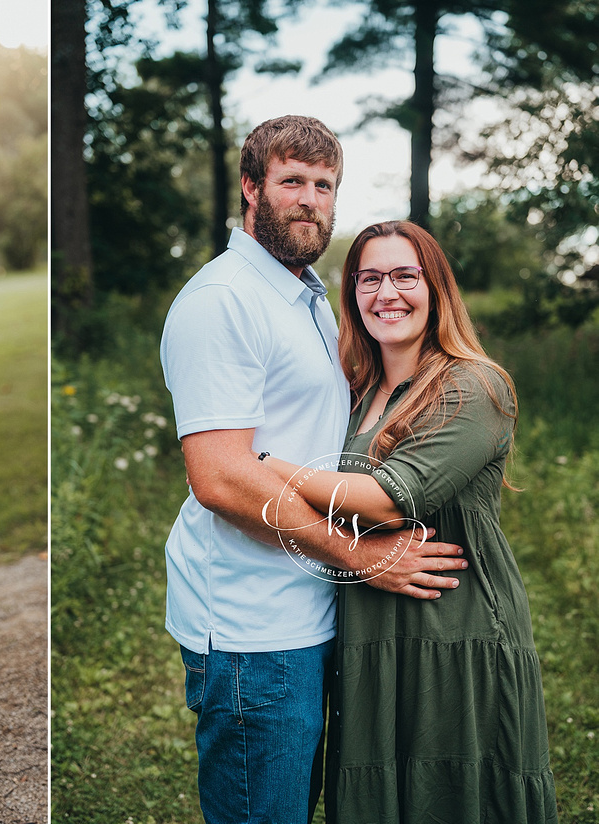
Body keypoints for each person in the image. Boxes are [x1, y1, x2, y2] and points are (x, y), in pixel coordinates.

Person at [159, 115, 469, 824]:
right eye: (291, 180)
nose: (309, 199)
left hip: (306, 610)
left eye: (324, 185)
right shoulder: (222, 302)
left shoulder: (302, 296)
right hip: (253, 628)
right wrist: (364, 558)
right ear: (250, 188)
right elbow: (220, 478)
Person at [259, 220, 558, 823]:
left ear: (436, 289)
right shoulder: (353, 390)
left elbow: (391, 498)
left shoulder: (474, 386)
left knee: (452, 795)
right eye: (369, 279)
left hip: (455, 626)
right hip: (369, 627)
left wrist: (258, 466)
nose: (386, 293)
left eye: (404, 276)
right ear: (352, 297)